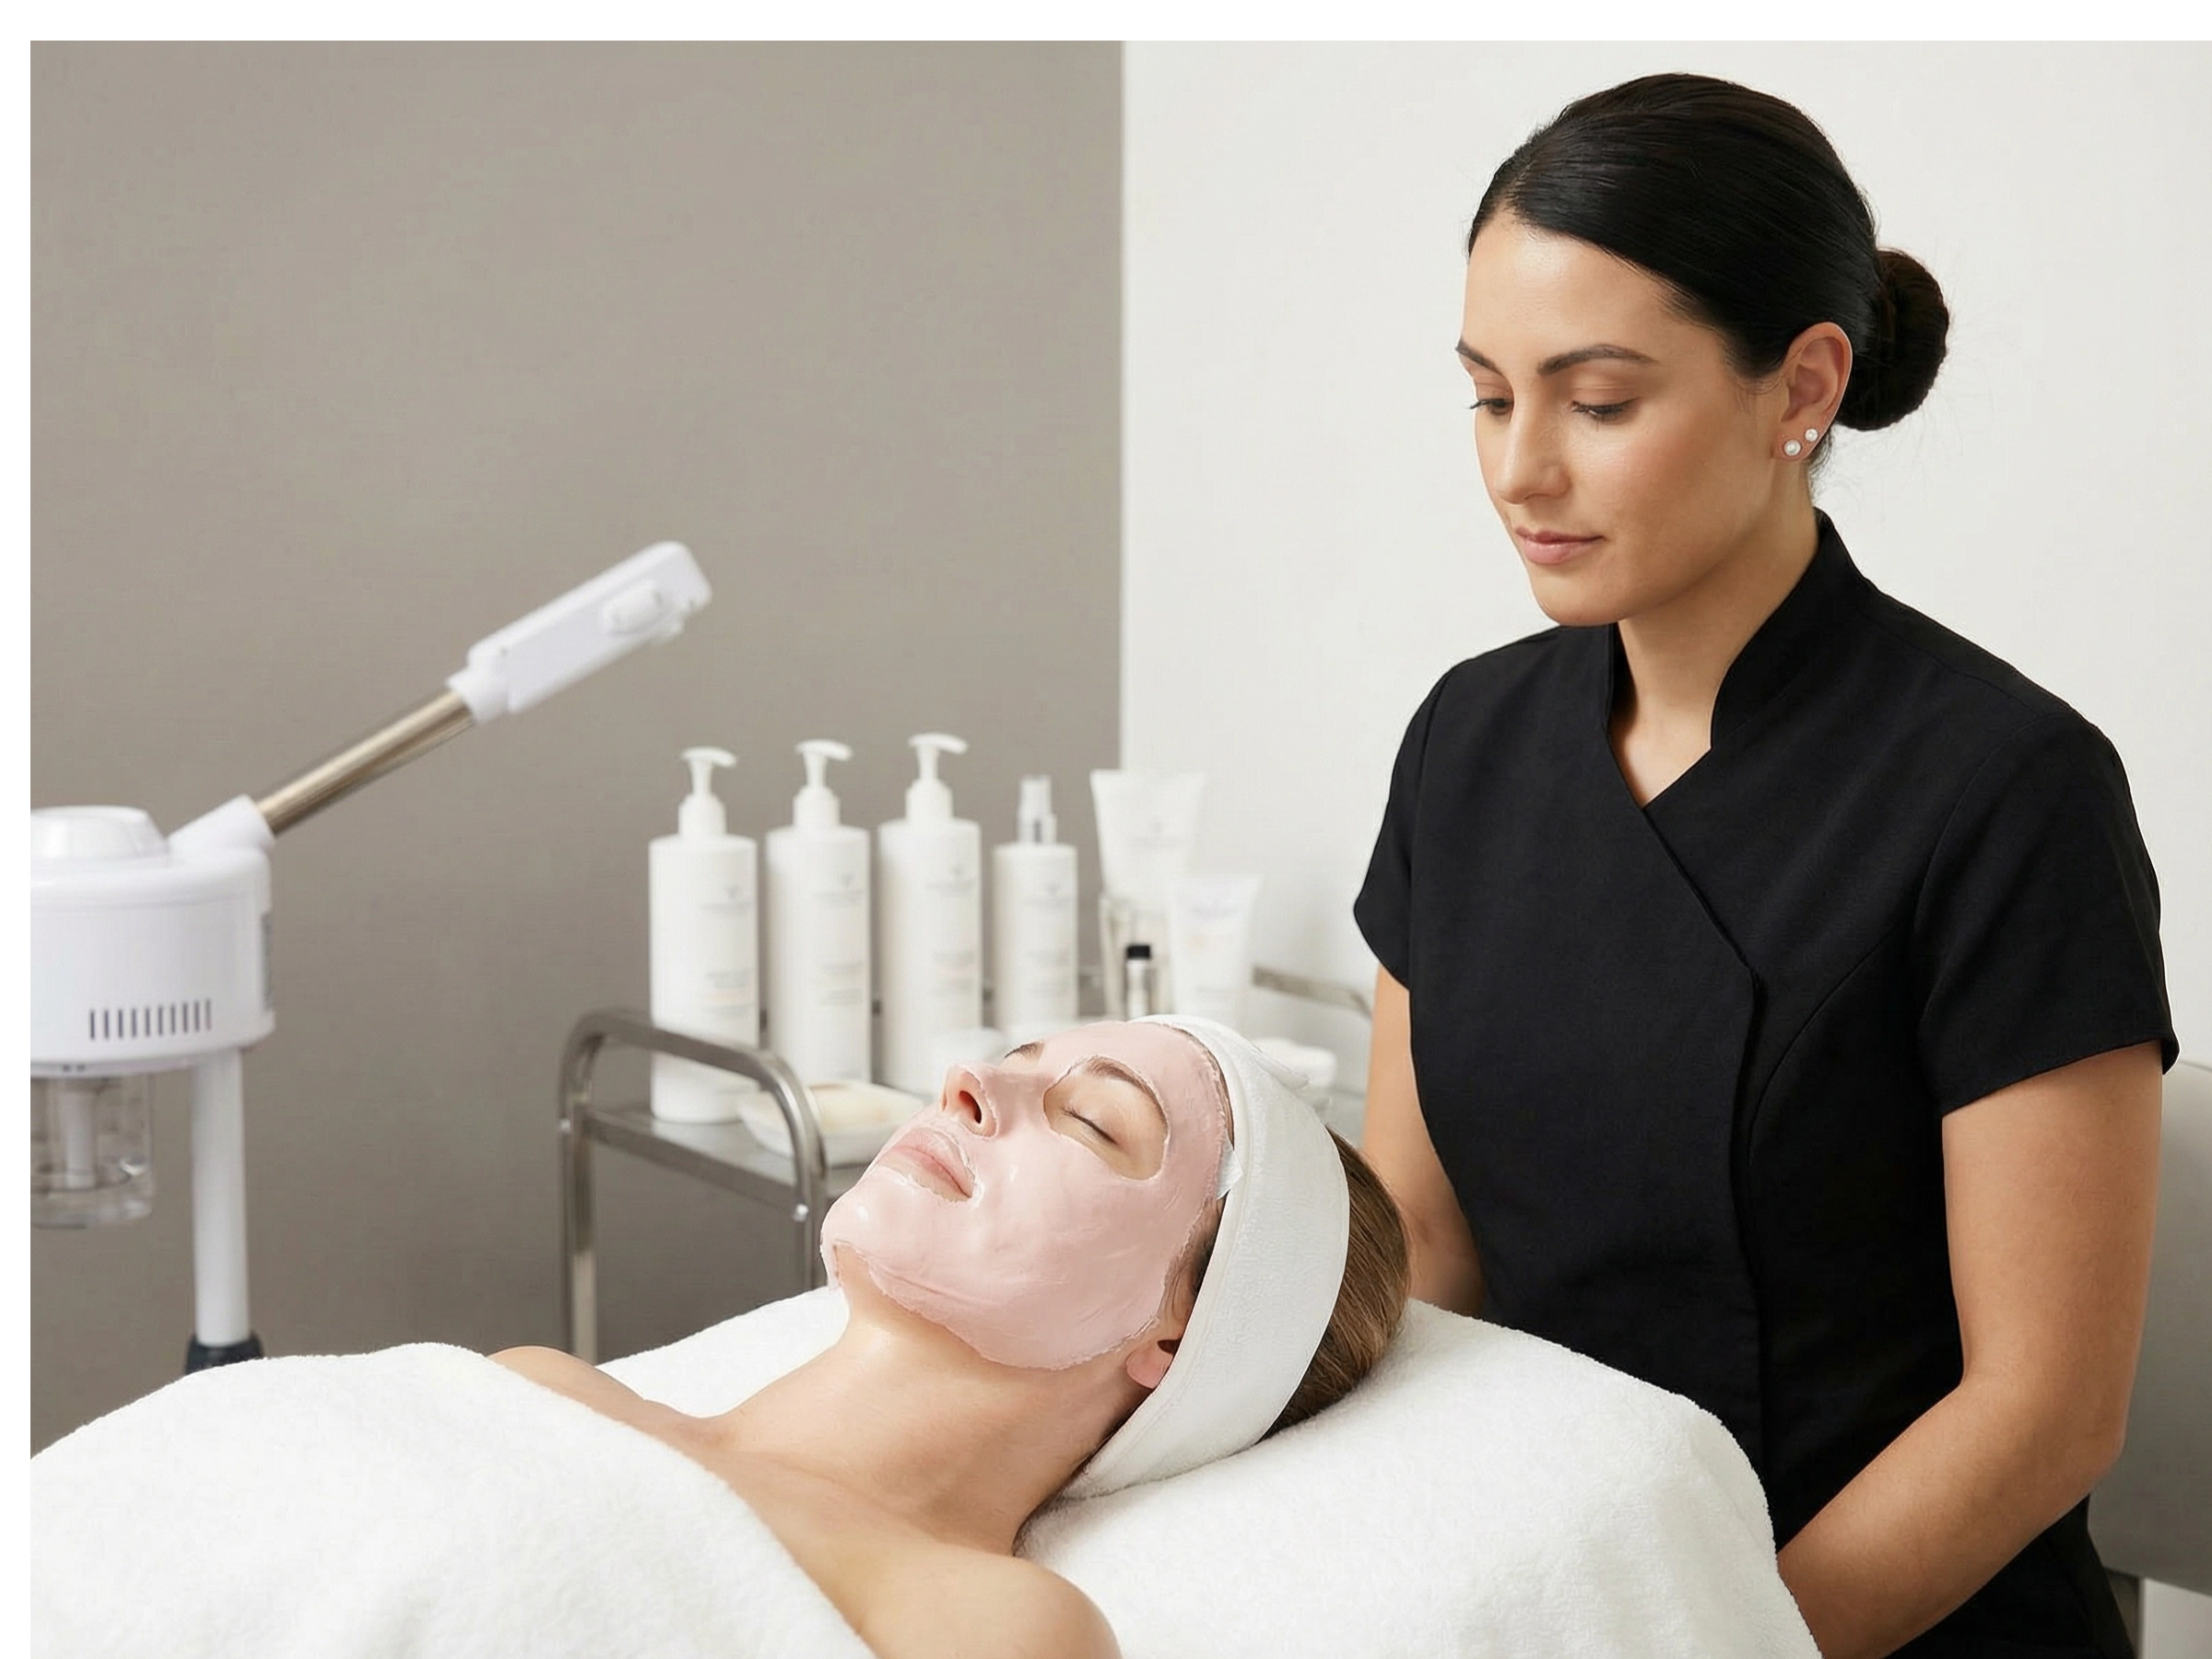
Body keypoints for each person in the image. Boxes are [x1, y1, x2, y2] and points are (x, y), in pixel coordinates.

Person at [1354, 74, 2174, 1659]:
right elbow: (1428, 1247)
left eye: (1596, 403)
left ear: (1801, 384)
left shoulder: (2005, 789)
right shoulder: (1466, 743)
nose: (1521, 470)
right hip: (1545, 1597)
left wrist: (1711, 1637)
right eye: (1486, 394)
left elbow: (2044, 1413)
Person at [500, 1015, 1412, 1658]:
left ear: (1178, 1339)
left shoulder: (995, 1630)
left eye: (1093, 1120)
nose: (968, 1084)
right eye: (1013, 1057)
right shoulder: (539, 1394)